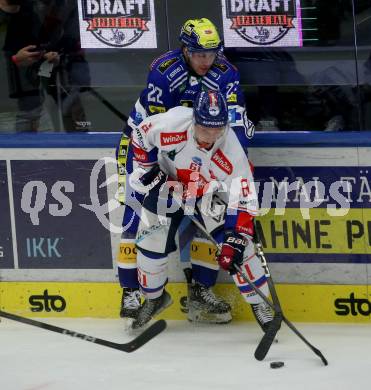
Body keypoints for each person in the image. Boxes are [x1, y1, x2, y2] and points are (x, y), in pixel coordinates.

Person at [117, 18, 256, 325]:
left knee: (208, 211)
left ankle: (200, 290)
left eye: (211, 53)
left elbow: (235, 127)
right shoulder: (165, 73)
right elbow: (150, 132)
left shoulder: (226, 73)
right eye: (198, 54)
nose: (206, 61)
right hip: (150, 148)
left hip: (202, 147)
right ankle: (132, 292)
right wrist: (153, 175)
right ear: (185, 50)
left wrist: (232, 167)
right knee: (137, 212)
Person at [128, 90, 273, 330]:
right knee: (150, 245)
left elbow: (243, 198)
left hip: (206, 193)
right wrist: (148, 169)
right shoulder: (171, 123)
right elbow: (140, 136)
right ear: (194, 120)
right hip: (167, 187)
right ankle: (154, 298)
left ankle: (261, 304)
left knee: (240, 250)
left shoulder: (232, 150)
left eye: (218, 129)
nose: (211, 135)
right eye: (205, 128)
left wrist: (237, 236)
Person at [2, 0, 90, 132]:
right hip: (8, 109)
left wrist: (47, 56)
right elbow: (11, 57)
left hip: (34, 102)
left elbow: (43, 46)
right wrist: (15, 59)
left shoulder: (31, 12)